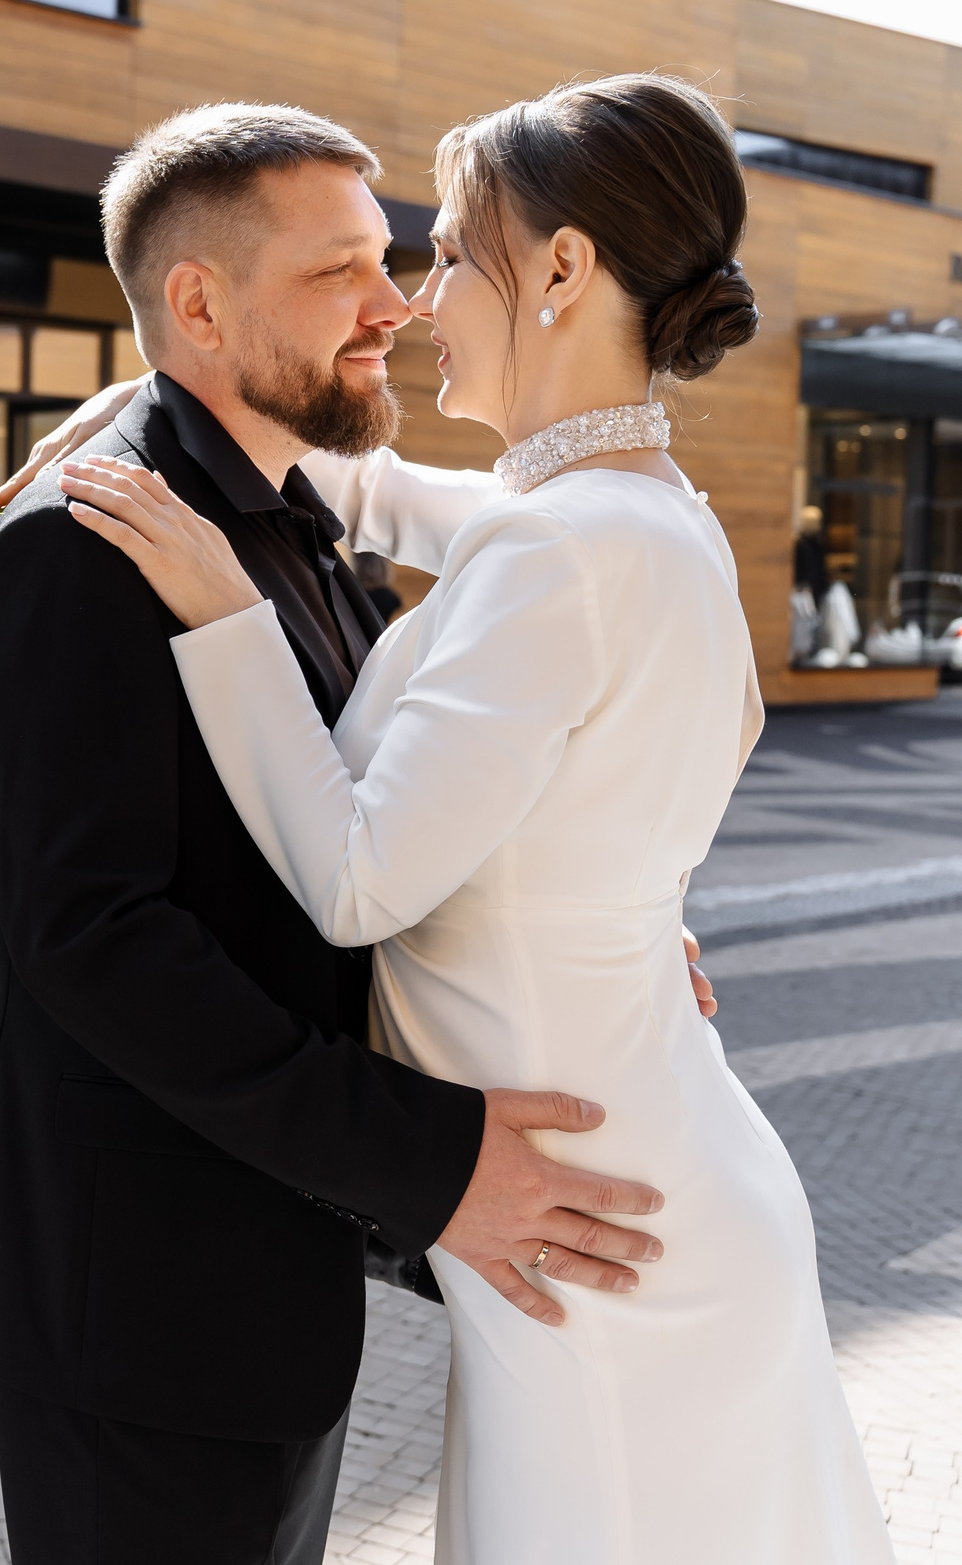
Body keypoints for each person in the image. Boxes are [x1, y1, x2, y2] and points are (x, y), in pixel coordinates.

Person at [50, 76, 892, 1562]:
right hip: (642, 1185)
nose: (419, 299)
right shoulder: (647, 516)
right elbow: (382, 494)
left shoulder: (561, 550)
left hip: (598, 1239)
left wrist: (227, 616)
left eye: (447, 252)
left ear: (562, 269)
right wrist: (154, 404)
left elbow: (358, 879)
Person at [0, 102, 719, 1565]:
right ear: (199, 304)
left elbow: (388, 817)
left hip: (270, 1289)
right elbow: (95, 945)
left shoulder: (304, 532)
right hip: (140, 1307)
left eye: (396, 260)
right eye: (337, 271)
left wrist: (583, 903)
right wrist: (432, 1163)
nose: (392, 307)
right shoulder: (75, 557)